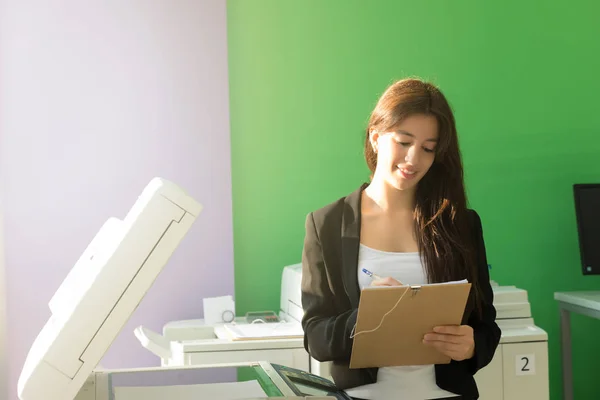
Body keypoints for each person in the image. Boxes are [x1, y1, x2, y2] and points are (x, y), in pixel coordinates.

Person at [300, 78, 501, 400]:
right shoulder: (327, 225)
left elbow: (486, 325)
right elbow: (316, 338)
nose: (413, 159)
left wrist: (472, 345)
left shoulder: (460, 223)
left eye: (428, 148)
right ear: (376, 136)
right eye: (404, 142)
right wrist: (364, 318)